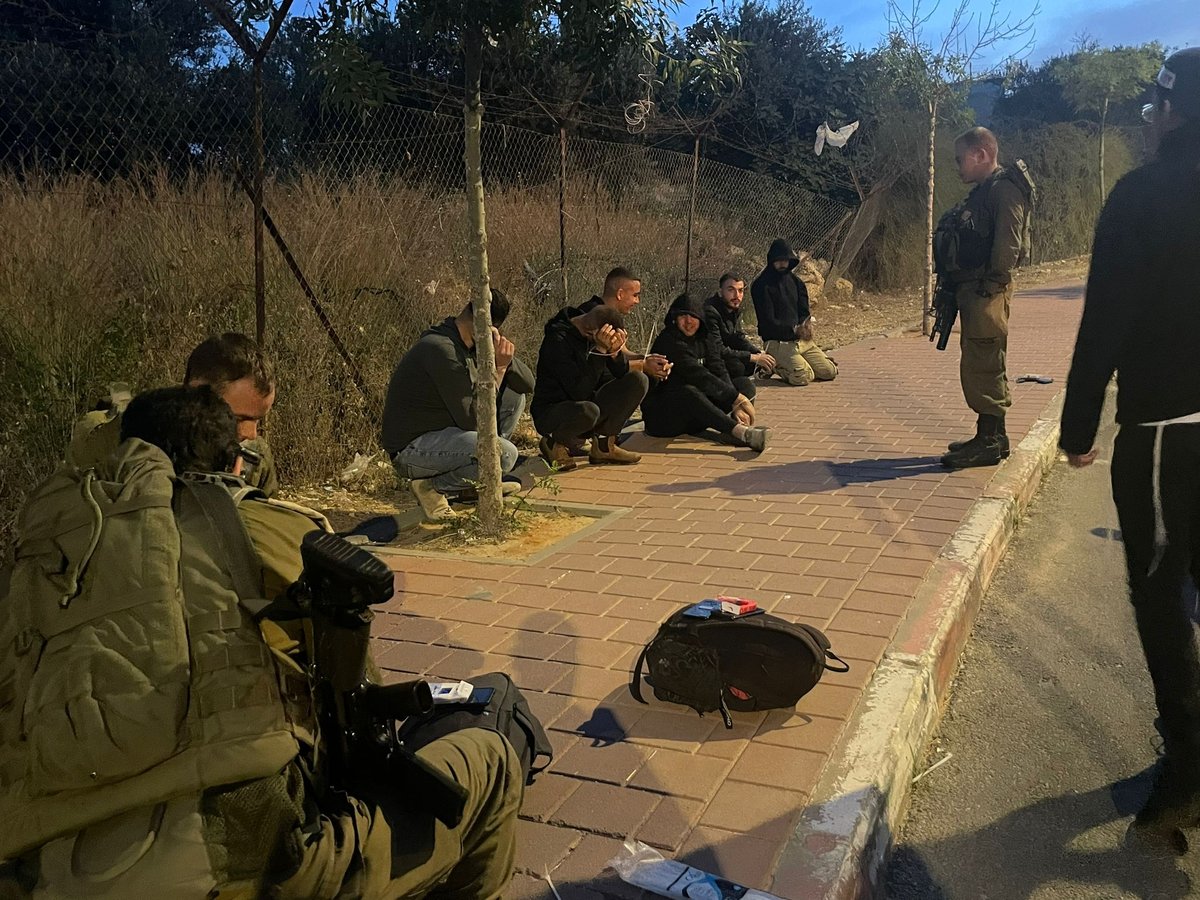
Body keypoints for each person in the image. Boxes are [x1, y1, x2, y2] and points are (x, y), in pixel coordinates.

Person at [0, 384, 523, 896]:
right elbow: (357, 688)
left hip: (40, 868)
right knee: (491, 759)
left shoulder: (41, 561)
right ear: (234, 462)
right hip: (236, 861)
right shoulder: (270, 525)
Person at [1059, 47, 1200, 851]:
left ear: (1175, 112)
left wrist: (1080, 428)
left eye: (1156, 107)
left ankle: (1187, 769)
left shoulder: (1143, 195)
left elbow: (1104, 320)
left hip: (1163, 437)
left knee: (1161, 595)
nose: (1150, 119)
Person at [382, 290, 534, 522]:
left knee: (514, 396)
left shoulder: (472, 343)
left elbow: (528, 384)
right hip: (413, 449)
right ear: (479, 322)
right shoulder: (442, 349)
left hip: (449, 433)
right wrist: (499, 370)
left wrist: (504, 357)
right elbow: (473, 419)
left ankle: (478, 483)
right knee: (504, 454)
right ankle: (432, 487)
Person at [66, 332, 280, 495]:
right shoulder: (118, 441)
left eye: (258, 419)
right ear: (196, 392)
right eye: (238, 418)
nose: (251, 433)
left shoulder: (255, 457)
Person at [935, 126, 1029, 469]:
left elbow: (1009, 246)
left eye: (961, 159)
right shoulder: (985, 190)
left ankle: (990, 441)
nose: (957, 166)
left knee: (985, 361)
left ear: (981, 154)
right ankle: (990, 436)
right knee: (980, 361)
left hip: (986, 291)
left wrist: (989, 287)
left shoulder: (1004, 190)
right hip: (976, 289)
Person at [643, 293, 770, 452]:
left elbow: (718, 368)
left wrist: (735, 403)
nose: (688, 322)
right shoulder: (669, 341)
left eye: (693, 316)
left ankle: (737, 427)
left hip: (696, 413)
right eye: (683, 316)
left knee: (744, 383)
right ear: (674, 318)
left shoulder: (706, 337)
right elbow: (698, 376)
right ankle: (740, 432)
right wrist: (735, 398)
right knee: (689, 391)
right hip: (665, 418)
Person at [532, 303, 646, 469]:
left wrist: (615, 353)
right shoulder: (557, 341)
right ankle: (553, 443)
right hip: (554, 410)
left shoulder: (594, 330)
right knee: (589, 410)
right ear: (589, 332)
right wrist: (600, 350)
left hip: (588, 402)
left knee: (637, 380)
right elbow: (579, 391)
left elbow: (619, 372)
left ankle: (604, 446)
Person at [750, 239, 838, 387]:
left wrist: (805, 326)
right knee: (804, 376)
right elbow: (768, 320)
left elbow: (804, 311)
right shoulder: (761, 285)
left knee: (830, 371)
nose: (782, 264)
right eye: (778, 261)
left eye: (785, 261)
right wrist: (792, 329)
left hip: (801, 340)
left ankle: (796, 363)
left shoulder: (797, 283)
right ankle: (773, 366)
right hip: (778, 342)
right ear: (771, 261)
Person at [578, 267, 672, 380]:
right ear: (620, 294)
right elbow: (610, 366)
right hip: (586, 380)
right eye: (635, 295)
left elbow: (622, 353)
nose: (637, 301)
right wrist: (643, 365)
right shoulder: (593, 315)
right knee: (640, 378)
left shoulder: (613, 316)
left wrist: (648, 359)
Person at [704, 272, 776, 398]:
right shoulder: (711, 312)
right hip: (707, 359)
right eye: (731, 290)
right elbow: (717, 349)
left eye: (740, 290)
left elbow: (738, 338)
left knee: (758, 361)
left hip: (723, 355)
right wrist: (752, 357)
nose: (737, 296)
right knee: (738, 366)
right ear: (720, 292)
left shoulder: (733, 309)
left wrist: (759, 354)